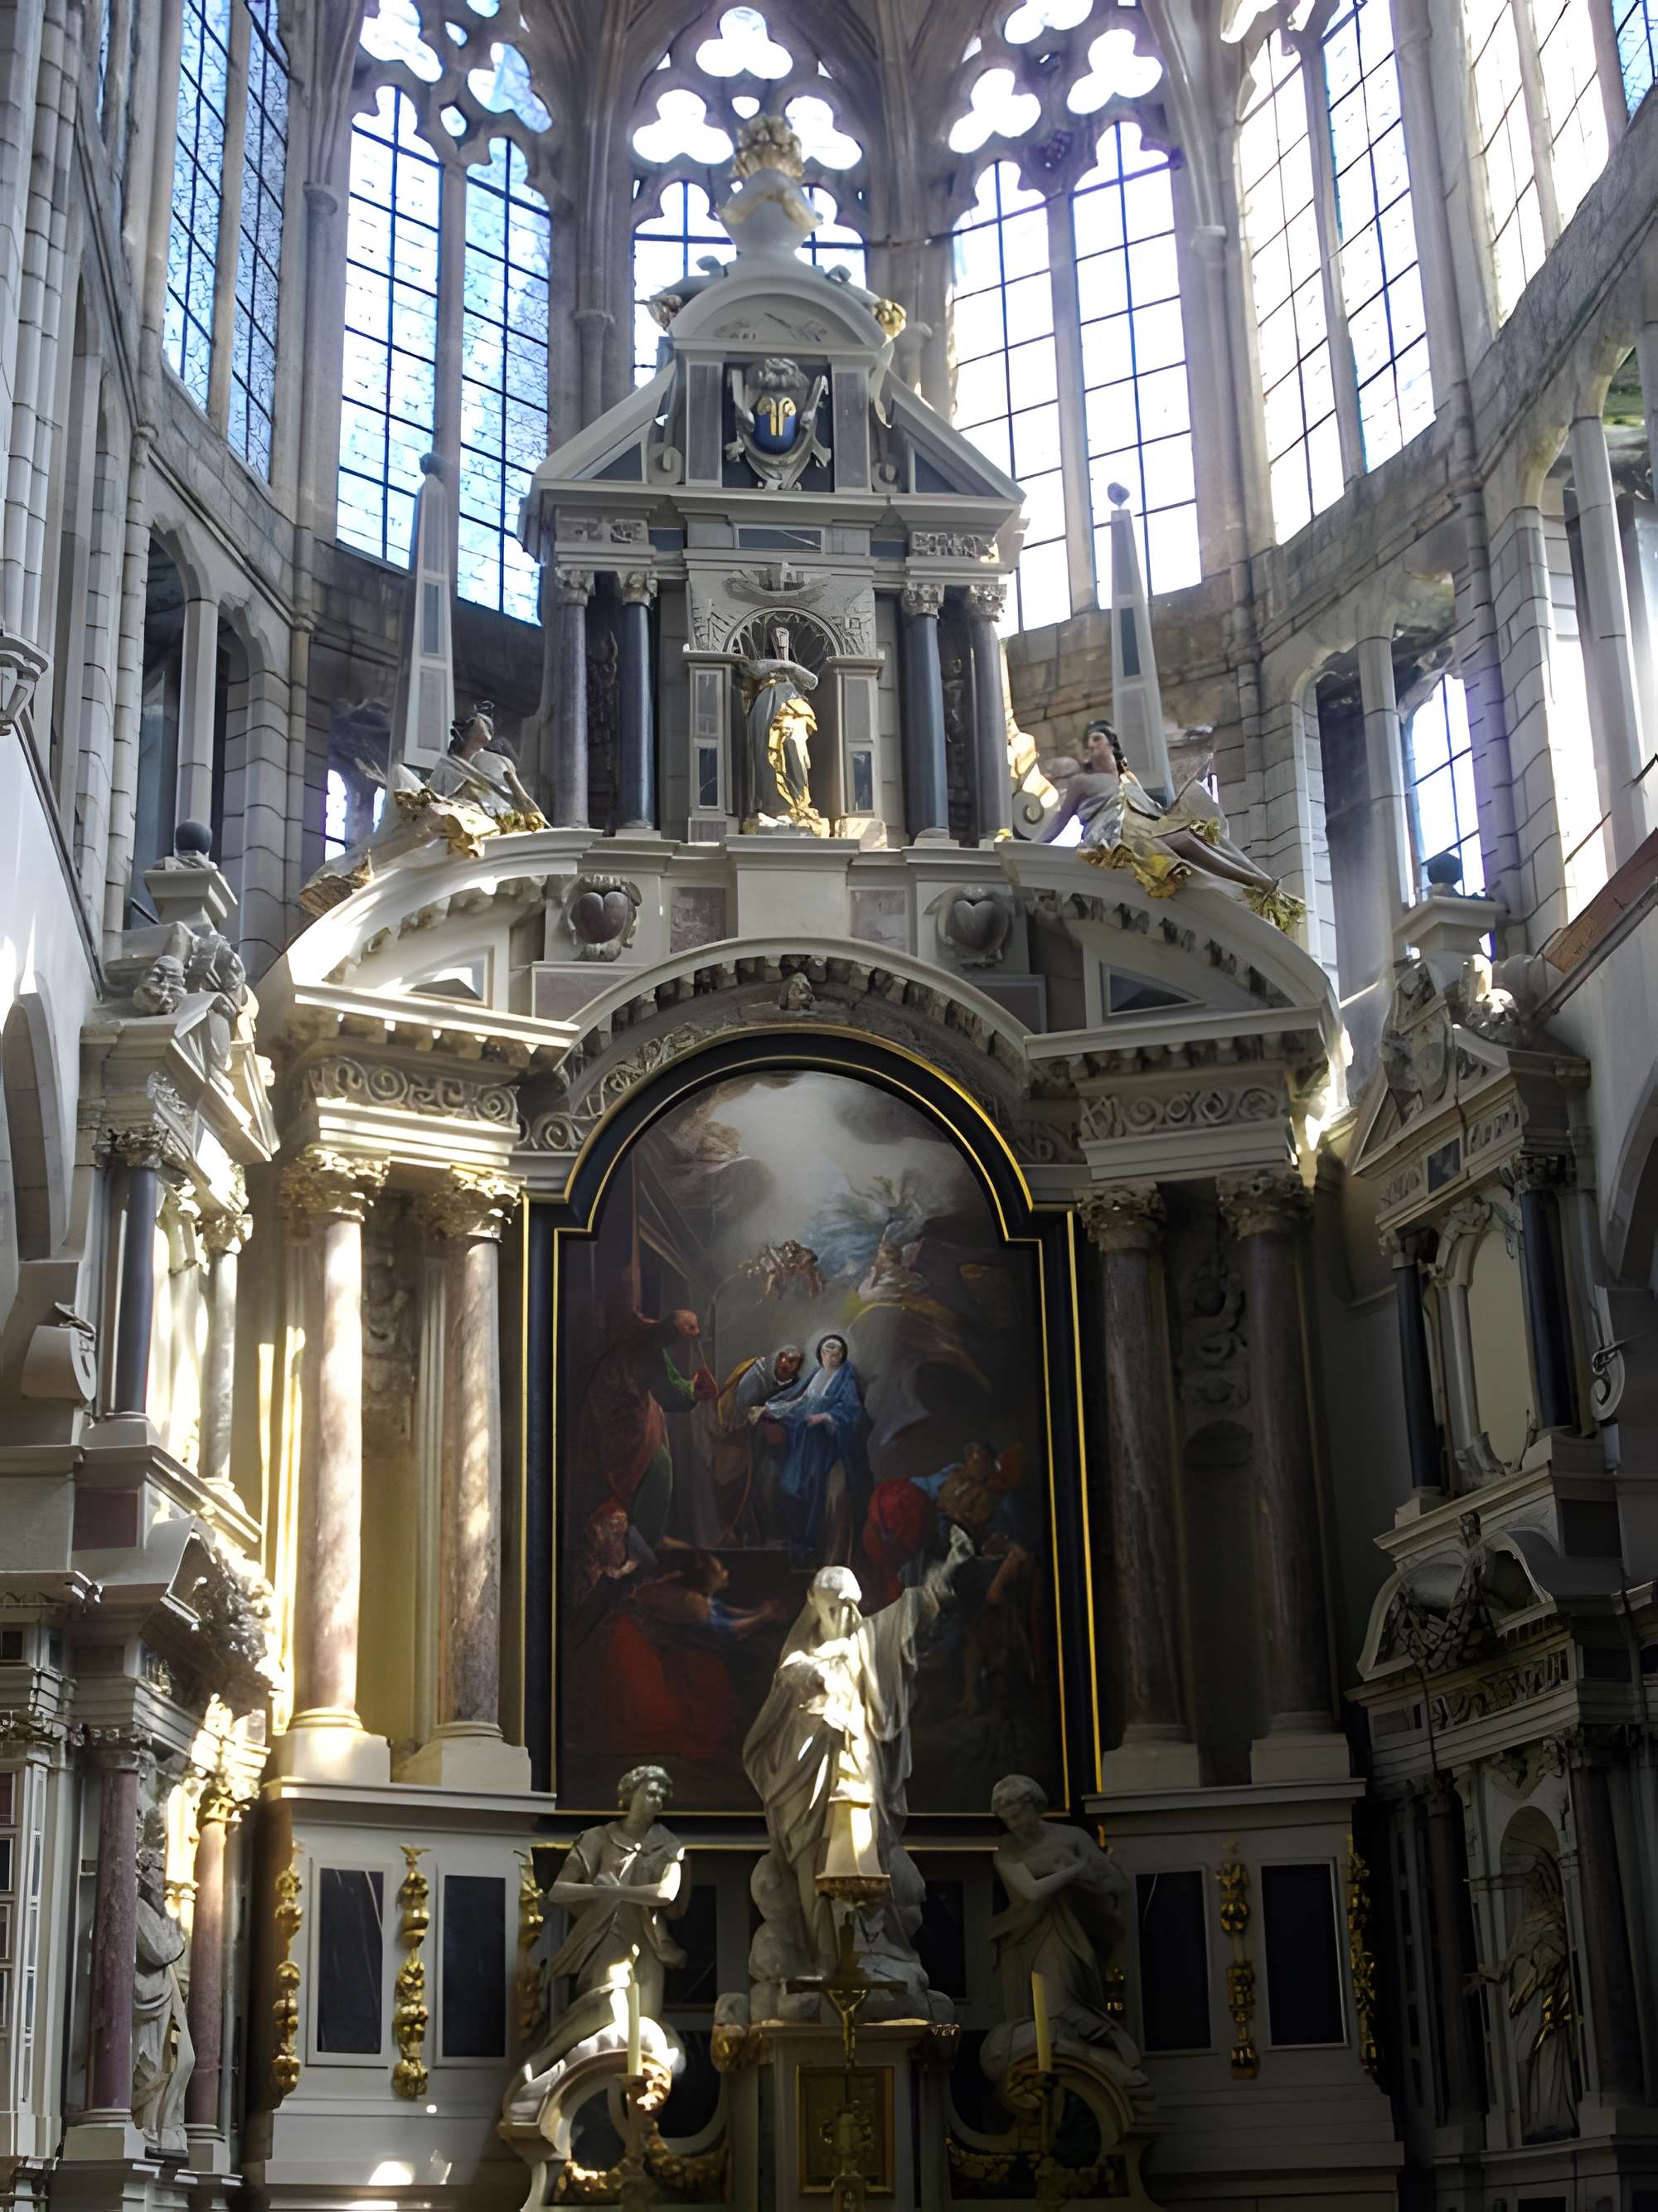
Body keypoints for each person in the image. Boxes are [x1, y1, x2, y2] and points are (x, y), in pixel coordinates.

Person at [743, 1534, 975, 1991]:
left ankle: (866, 1954)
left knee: (865, 1863)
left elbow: (918, 1607)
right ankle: (822, 1959)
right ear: (814, 1605)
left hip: (858, 1777)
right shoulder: (797, 1660)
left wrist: (951, 1565)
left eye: (852, 1606)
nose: (846, 1616)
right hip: (808, 1783)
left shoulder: (868, 1641)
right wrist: (817, 1681)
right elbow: (793, 1696)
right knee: (813, 1864)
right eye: (835, 1606)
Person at [512, 1766, 686, 2108]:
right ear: (630, 1794)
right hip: (605, 1939)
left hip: (649, 1946)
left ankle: (629, 2109)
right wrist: (597, 1890)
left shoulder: (666, 1844)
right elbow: (560, 1891)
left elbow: (666, 1893)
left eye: (661, 1798)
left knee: (643, 2028)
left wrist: (618, 1890)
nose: (657, 1802)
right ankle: (541, 2067)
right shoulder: (596, 1839)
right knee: (610, 2009)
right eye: (650, 1793)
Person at [1040, 720, 1299, 921]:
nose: (1092, 746)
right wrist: (1034, 844)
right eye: (1090, 742)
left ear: (1111, 744)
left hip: (1145, 825)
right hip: (1114, 832)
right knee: (1177, 844)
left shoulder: (1128, 779)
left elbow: (1152, 808)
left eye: (1097, 739)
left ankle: (1254, 880)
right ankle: (1250, 881)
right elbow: (1060, 821)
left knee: (1190, 837)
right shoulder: (1081, 782)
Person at [983, 1773, 1143, 2084]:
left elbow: (1115, 1883)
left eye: (1017, 1815)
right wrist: (1073, 1870)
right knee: (1045, 2016)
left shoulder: (1072, 1838)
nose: (1014, 1824)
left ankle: (1114, 2051)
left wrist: (1080, 1875)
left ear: (1035, 1805)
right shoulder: (1006, 1852)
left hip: (1068, 1930)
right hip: (1027, 1937)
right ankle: (1102, 2062)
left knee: (1060, 2007)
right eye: (1007, 1819)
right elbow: (1031, 1892)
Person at [574, 1306, 718, 1550]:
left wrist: (692, 1389)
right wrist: (674, 1325)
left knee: (659, 1471)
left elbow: (669, 1383)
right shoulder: (632, 1341)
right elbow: (664, 1385)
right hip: (614, 1431)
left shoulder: (644, 1340)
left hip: (636, 1424)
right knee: (657, 1471)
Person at [750, 1332, 869, 1566]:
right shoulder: (816, 1374)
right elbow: (799, 1401)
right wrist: (770, 1409)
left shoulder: (845, 1378)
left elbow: (851, 1411)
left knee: (816, 1485)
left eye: (836, 1353)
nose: (831, 1357)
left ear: (842, 1355)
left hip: (825, 1444)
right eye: (827, 1352)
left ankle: (810, 1543)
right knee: (787, 1483)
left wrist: (826, 1417)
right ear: (820, 1354)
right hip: (802, 1440)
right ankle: (794, 1541)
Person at [709, 1342, 805, 1541]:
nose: (786, 1363)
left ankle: (761, 1535)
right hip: (739, 1437)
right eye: (783, 1358)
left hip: (762, 1444)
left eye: (793, 1361)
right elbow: (747, 1408)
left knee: (765, 1486)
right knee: (741, 1488)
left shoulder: (792, 1385)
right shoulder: (758, 1374)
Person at [738, 623, 825, 832]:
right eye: (778, 637)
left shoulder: (795, 675)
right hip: (768, 709)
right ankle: (775, 808)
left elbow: (812, 681)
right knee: (768, 757)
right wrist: (778, 665)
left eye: (784, 637)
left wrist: (791, 667)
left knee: (796, 746)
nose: (781, 641)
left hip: (794, 707)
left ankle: (798, 804)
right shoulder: (765, 671)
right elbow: (749, 668)